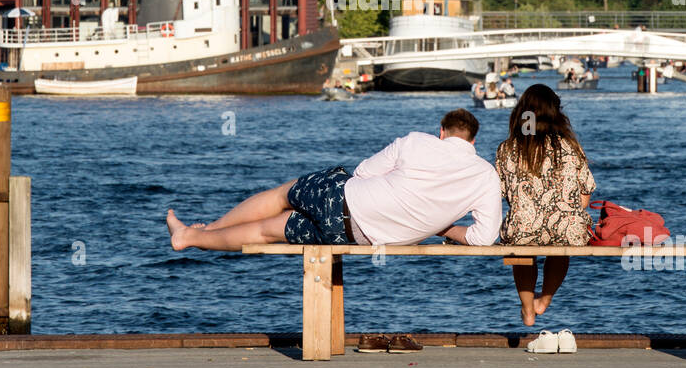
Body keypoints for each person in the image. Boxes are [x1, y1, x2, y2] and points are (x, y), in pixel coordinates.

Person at [167, 109, 502, 251]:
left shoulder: (416, 140)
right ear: (473, 142)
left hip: (339, 199)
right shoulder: (486, 176)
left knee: (283, 194)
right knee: (267, 232)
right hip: (353, 237)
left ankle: (203, 229)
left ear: (441, 132)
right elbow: (485, 239)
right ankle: (190, 239)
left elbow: (363, 172)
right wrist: (443, 228)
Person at [497, 84, 596, 326]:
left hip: (522, 228)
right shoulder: (571, 148)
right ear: (556, 113)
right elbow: (584, 199)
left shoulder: (508, 149)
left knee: (521, 248)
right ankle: (545, 301)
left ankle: (528, 308)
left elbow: (502, 193)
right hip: (567, 229)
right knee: (565, 236)